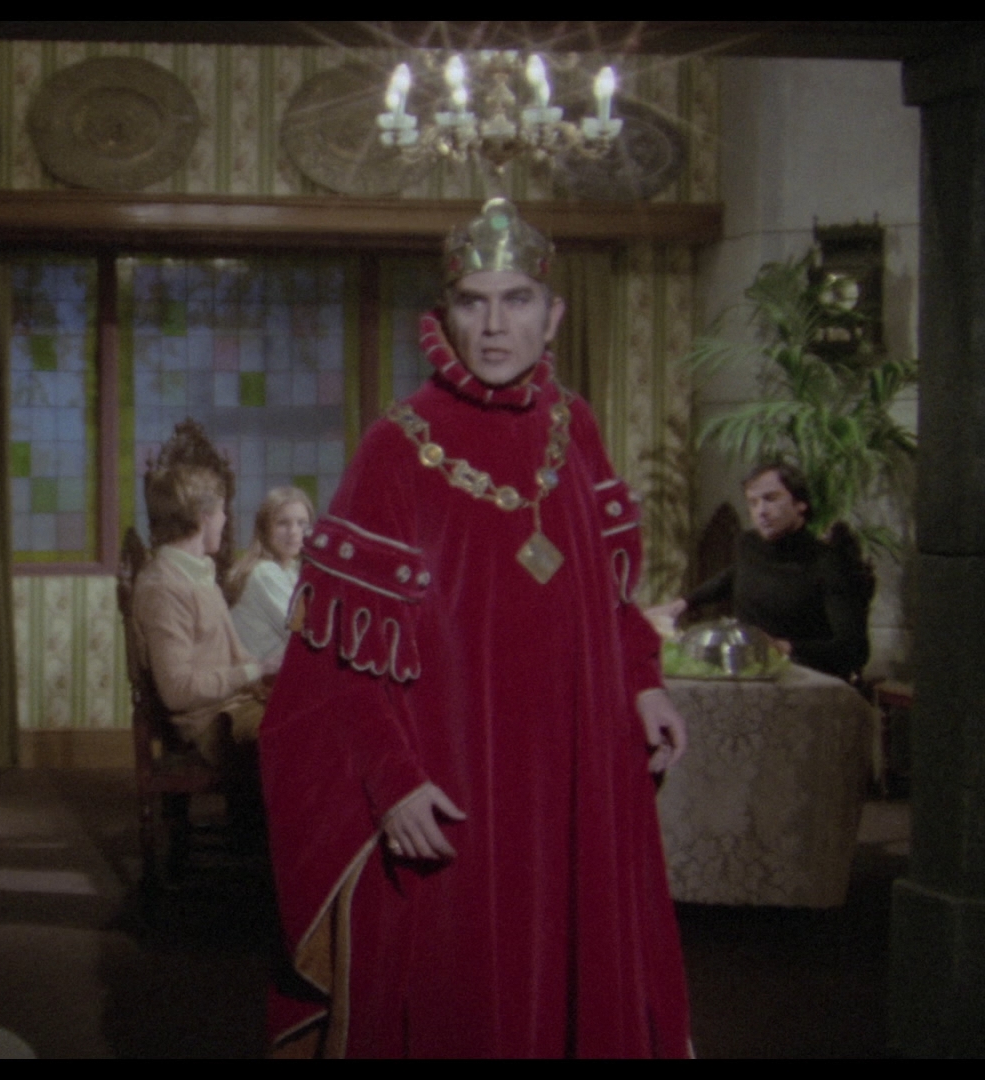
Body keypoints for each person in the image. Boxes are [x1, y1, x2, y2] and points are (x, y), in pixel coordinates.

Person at [259, 198, 692, 1058]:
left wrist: (644, 683)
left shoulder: (577, 427)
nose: (495, 325)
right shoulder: (395, 446)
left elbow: (611, 601)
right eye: (474, 302)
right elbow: (339, 657)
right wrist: (392, 781)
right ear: (446, 314)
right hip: (458, 783)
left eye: (517, 300)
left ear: (552, 314)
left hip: (582, 773)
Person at [132, 429, 279, 768]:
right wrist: (254, 671)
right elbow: (177, 691)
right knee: (308, 737)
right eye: (222, 511)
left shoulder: (197, 572)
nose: (225, 519)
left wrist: (265, 675)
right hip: (211, 725)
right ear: (203, 517)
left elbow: (232, 656)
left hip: (234, 707)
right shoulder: (165, 587)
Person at [653, 463, 871, 679]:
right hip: (747, 671)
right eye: (753, 503)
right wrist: (681, 604)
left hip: (802, 676)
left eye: (771, 499)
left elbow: (854, 650)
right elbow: (735, 575)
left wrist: (782, 647)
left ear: (800, 503)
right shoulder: (749, 545)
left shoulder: (828, 563)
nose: (761, 512)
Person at [227, 486, 316, 666]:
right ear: (265, 529)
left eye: (302, 523)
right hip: (262, 679)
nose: (293, 531)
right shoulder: (264, 572)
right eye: (282, 523)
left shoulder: (291, 569)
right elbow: (303, 632)